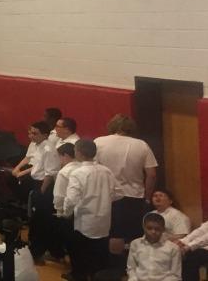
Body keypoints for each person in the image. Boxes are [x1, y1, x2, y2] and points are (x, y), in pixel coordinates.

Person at [95, 114, 158, 254]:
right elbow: (152, 174)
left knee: (112, 232)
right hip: (134, 195)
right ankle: (130, 266)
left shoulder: (99, 142)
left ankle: (113, 267)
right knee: (132, 233)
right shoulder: (141, 145)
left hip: (106, 194)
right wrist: (147, 197)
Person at [63, 139, 120, 281]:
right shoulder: (106, 170)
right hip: (104, 218)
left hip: (85, 219)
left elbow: (71, 199)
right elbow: (119, 192)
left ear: (79, 153)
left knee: (80, 252)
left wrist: (66, 212)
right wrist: (105, 200)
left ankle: (79, 275)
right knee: (100, 252)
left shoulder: (78, 173)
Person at [12, 121, 61, 263]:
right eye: (30, 132)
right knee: (35, 219)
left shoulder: (48, 149)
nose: (30, 136)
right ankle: (34, 247)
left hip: (44, 186)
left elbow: (49, 174)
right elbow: (32, 162)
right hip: (36, 182)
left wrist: (41, 191)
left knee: (42, 221)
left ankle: (38, 251)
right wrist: (18, 170)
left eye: (35, 133)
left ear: (45, 135)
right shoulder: (35, 145)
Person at [126, 212, 181, 281]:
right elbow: (131, 268)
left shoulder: (173, 248)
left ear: (163, 229)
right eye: (149, 228)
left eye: (157, 229)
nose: (153, 232)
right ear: (144, 227)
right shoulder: (135, 244)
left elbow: (175, 275)